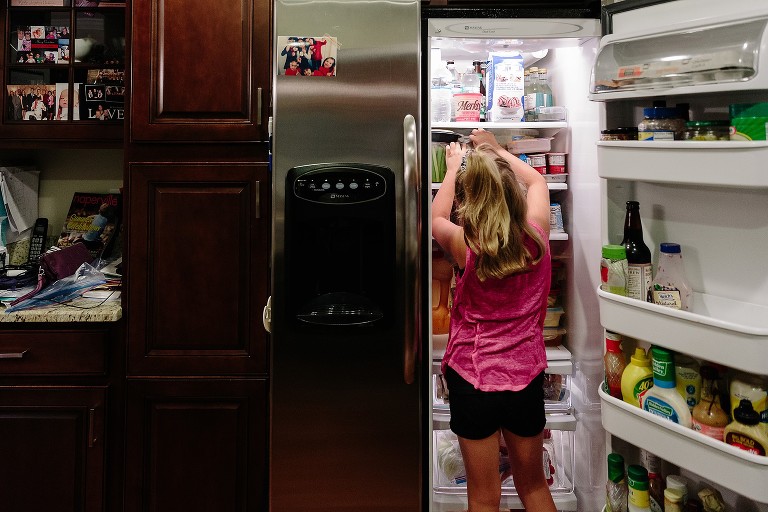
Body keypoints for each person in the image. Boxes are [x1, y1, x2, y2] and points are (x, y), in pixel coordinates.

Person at [431, 128, 555, 512]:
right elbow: (537, 179)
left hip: (473, 378)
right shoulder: (538, 236)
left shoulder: (464, 247)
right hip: (526, 378)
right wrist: (495, 148)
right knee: (533, 486)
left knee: (483, 498)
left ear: (472, 203)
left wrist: (452, 169)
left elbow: (436, 215)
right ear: (512, 196)